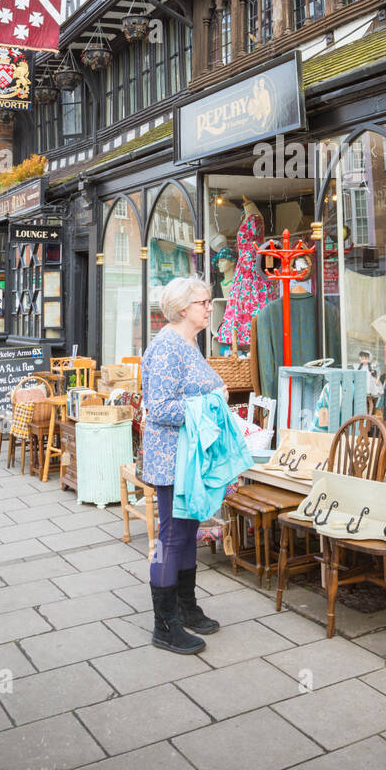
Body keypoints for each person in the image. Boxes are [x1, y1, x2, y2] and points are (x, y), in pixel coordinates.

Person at [141, 275, 229, 655]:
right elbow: (159, 408)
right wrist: (209, 403)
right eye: (204, 302)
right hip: (171, 459)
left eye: (210, 302)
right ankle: (164, 625)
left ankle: (186, 606)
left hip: (191, 458)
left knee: (188, 531)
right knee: (170, 538)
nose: (210, 308)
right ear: (181, 309)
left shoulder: (190, 344)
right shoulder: (166, 349)